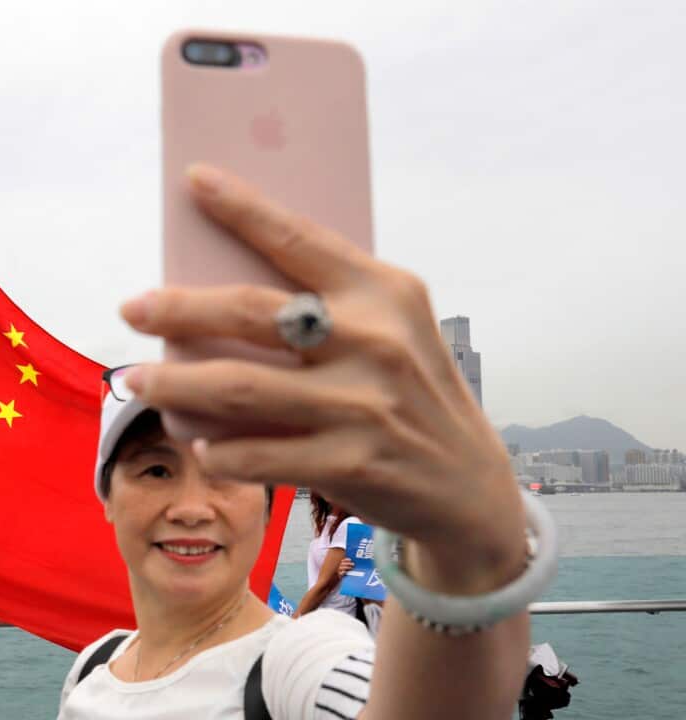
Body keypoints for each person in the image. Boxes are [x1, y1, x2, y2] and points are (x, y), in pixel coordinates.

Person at [56, 164, 554, 719]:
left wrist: (463, 534)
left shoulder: (298, 661)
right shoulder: (93, 665)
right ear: (107, 496)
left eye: (226, 469)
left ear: (267, 504)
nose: (192, 508)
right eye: (156, 470)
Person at [294, 493, 361, 619]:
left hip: (336, 618)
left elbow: (325, 586)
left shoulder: (349, 523)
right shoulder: (329, 521)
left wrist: (294, 622)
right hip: (322, 614)